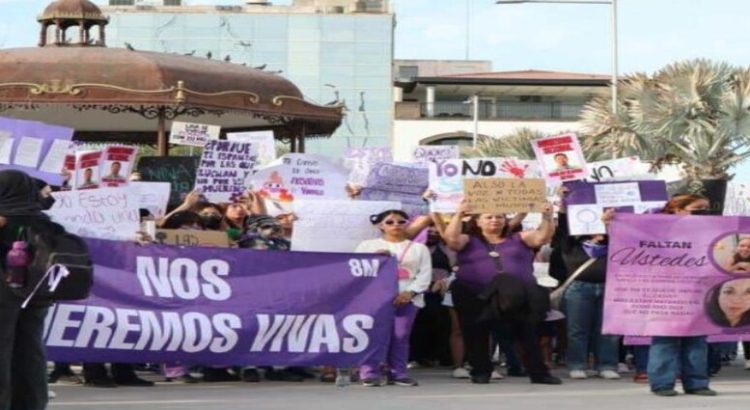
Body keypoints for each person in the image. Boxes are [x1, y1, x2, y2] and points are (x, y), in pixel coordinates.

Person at [443, 200, 561, 385]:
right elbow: (451, 239)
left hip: (516, 296)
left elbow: (542, 238)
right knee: (475, 332)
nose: (494, 220)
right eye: (488, 217)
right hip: (475, 294)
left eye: (499, 217)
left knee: (527, 333)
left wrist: (547, 216)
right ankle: (481, 371)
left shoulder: (519, 238)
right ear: (478, 221)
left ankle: (539, 373)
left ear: (506, 221)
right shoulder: (469, 240)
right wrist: (458, 214)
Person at [0, 170, 64, 409]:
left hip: (5, 292)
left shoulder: (5, 218)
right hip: (38, 293)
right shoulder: (44, 220)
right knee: (30, 351)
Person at [642, 194, 717, 397]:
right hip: (666, 291)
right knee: (666, 339)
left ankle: (697, 383)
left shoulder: (710, 230)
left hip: (698, 291)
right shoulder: (657, 229)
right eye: (698, 208)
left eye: (707, 209)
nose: (704, 213)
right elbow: (629, 235)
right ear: (678, 209)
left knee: (697, 339)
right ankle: (662, 384)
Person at [355, 210, 432, 387]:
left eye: (401, 221)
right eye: (390, 222)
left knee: (401, 335)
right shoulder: (367, 245)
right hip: (374, 298)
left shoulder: (419, 248)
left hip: (407, 297)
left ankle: (398, 373)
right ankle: (368, 372)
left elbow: (424, 275)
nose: (396, 225)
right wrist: (373, 258)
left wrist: (410, 293)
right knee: (372, 334)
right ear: (380, 226)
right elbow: (357, 270)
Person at [555, 192, 621, 380]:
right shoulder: (572, 244)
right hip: (579, 289)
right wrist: (563, 202)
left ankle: (607, 365)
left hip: (609, 288)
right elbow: (562, 223)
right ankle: (577, 364)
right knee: (577, 329)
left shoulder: (615, 241)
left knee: (607, 329)